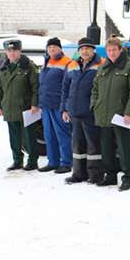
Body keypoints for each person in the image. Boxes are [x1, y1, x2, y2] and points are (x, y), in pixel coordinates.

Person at [91, 36, 130, 191]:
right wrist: (94, 106)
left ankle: (127, 177)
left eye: (114, 50)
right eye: (109, 50)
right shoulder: (103, 68)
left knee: (123, 147)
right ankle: (110, 175)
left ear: (120, 50)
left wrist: (129, 113)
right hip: (103, 115)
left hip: (121, 116)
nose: (112, 53)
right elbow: (95, 89)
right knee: (106, 148)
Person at [61, 38, 105, 184]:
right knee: (77, 145)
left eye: (88, 48)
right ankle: (79, 174)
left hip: (91, 112)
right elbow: (65, 88)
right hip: (74, 112)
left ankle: (95, 175)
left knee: (93, 145)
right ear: (78, 51)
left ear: (94, 50)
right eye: (82, 49)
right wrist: (64, 109)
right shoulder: (71, 65)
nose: (85, 51)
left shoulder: (102, 64)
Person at [0, 39, 40, 171]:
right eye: (9, 51)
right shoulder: (3, 68)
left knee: (29, 137)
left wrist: (34, 104)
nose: (12, 53)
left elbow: (35, 87)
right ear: (6, 52)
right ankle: (17, 161)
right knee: (14, 138)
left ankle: (32, 162)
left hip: (26, 108)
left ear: (19, 51)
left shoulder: (28, 66)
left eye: (15, 50)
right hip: (9, 107)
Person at [37, 37, 74, 174]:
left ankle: (66, 162)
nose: (52, 49)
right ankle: (53, 161)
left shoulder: (67, 62)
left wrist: (66, 107)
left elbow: (69, 86)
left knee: (62, 134)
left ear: (60, 49)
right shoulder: (47, 62)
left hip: (59, 105)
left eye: (54, 47)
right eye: (50, 47)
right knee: (49, 135)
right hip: (46, 105)